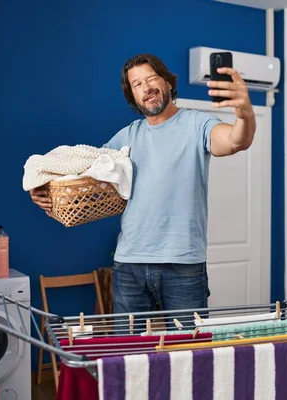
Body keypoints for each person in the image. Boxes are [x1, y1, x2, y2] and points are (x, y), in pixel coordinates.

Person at [30, 54, 256, 328]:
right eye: (137, 84)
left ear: (168, 83)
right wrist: (44, 189)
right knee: (129, 356)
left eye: (151, 78)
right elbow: (87, 176)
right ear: (133, 97)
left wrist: (244, 112)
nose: (146, 87)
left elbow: (234, 141)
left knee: (188, 355)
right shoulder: (126, 137)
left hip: (183, 265)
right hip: (129, 265)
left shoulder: (197, 124)